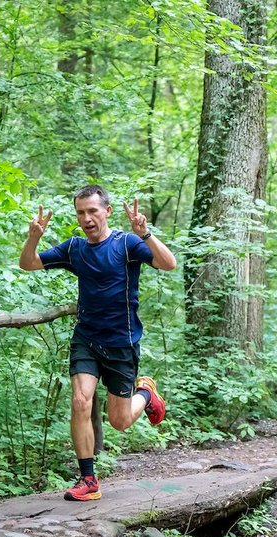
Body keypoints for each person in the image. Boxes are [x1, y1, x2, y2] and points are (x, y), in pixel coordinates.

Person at [19, 185, 177, 501]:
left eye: (93, 211)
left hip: (122, 343)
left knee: (119, 421)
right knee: (80, 400)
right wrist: (34, 236)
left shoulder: (127, 244)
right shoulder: (74, 248)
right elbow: (29, 263)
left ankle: (146, 393)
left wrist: (145, 234)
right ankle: (88, 480)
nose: (87, 218)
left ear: (106, 211)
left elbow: (168, 263)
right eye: (81, 212)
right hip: (87, 339)